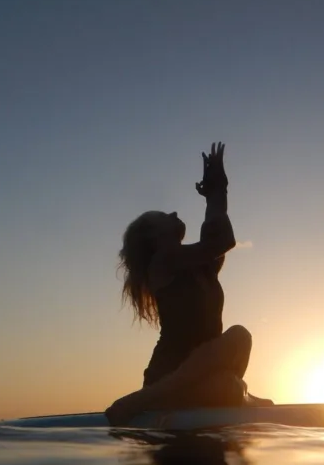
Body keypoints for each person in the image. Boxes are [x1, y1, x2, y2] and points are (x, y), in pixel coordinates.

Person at [105, 142, 270, 426]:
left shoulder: (201, 267)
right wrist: (217, 191)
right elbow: (221, 241)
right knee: (238, 336)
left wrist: (217, 191)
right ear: (154, 239)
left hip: (201, 377)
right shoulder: (162, 262)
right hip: (167, 377)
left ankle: (242, 395)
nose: (172, 214)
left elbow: (214, 237)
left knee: (231, 383)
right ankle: (143, 400)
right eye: (163, 218)